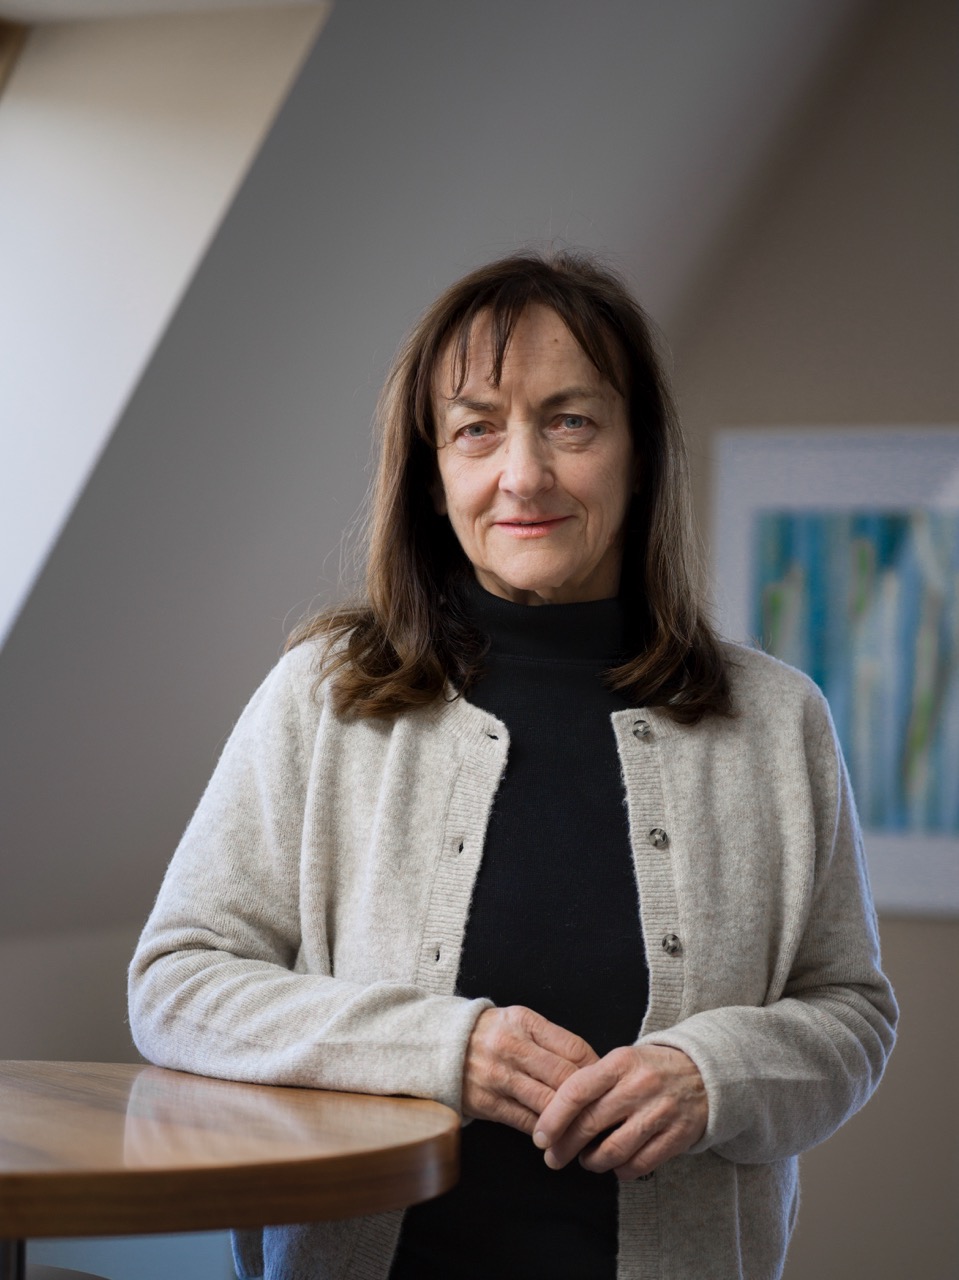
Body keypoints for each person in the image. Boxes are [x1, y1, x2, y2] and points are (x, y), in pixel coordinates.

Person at [128, 251, 898, 1280]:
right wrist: (445, 1049)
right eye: (475, 427)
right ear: (433, 470)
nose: (522, 474)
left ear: (638, 452)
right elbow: (176, 982)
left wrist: (712, 1075)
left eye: (569, 420)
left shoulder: (774, 719)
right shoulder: (322, 697)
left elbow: (848, 1009)